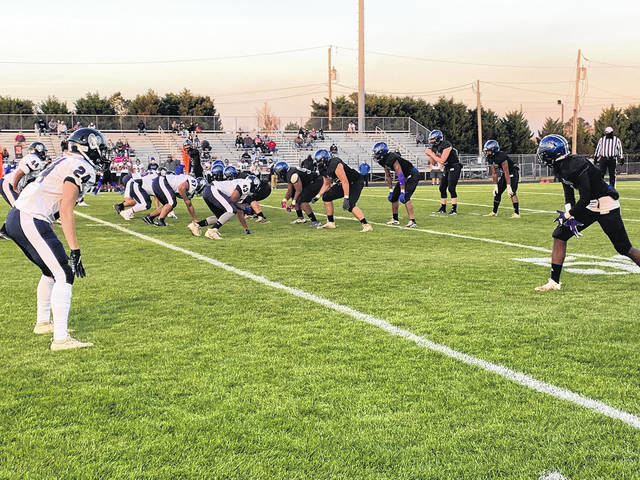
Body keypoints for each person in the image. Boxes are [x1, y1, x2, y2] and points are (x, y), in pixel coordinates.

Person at [1, 128, 106, 350]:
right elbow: (66, 209)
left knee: (50, 272)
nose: (101, 152)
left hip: (19, 217)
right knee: (64, 273)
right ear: (86, 146)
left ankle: (42, 322)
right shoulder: (81, 166)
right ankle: (60, 338)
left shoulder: (65, 161)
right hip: (31, 217)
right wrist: (75, 250)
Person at [534, 134, 640, 291]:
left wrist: (568, 216)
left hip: (605, 204)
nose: (541, 155)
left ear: (553, 152)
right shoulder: (560, 166)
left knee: (624, 248)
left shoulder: (576, 164)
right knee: (560, 235)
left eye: (544, 152)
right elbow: (569, 193)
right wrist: (568, 211)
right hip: (591, 205)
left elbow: (585, 197)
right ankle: (554, 282)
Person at [314, 149, 372, 232]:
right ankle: (331, 222)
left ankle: (366, 225)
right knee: (326, 197)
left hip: (355, 182)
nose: (318, 164)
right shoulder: (322, 168)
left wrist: (346, 198)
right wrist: (318, 196)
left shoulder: (335, 163)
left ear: (325, 160)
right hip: (345, 183)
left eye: (319, 162)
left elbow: (345, 181)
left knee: (350, 204)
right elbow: (327, 183)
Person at [190, 175, 260, 239]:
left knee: (222, 217)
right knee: (231, 210)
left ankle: (196, 225)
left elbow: (238, 210)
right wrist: (244, 207)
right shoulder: (246, 185)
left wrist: (246, 228)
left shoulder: (243, 189)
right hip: (212, 190)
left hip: (209, 191)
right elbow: (232, 201)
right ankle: (212, 231)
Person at [373, 142, 419, 228]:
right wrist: (390, 190)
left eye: (377, 153)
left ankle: (412, 221)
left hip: (412, 174)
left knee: (405, 196)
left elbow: (400, 174)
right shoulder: (382, 161)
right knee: (394, 197)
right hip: (404, 176)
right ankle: (395, 219)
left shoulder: (392, 158)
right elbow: (388, 176)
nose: (375, 155)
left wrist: (402, 191)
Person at [424, 130, 462, 215]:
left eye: (432, 139)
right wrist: (429, 155)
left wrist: (431, 153)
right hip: (447, 167)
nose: (431, 141)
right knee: (442, 187)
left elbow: (442, 160)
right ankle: (443, 208)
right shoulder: (434, 147)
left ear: (438, 138)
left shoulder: (446, 145)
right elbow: (433, 163)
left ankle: (454, 209)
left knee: (451, 188)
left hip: (454, 166)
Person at [0, 142, 48, 208]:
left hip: (12, 183)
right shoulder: (34, 159)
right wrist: (14, 187)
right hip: (9, 183)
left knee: (25, 208)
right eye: (44, 151)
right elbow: (20, 172)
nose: (45, 153)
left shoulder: (33, 158)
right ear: (39, 150)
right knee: (19, 208)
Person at [275, 161, 323, 227]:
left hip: (316, 181)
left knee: (302, 200)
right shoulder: (289, 173)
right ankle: (300, 218)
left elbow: (299, 190)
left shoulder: (293, 175)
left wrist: (293, 202)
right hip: (309, 182)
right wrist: (284, 200)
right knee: (295, 196)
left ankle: (315, 221)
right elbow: (290, 190)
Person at [483, 140, 520, 218]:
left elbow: (507, 172)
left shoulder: (501, 156)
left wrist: (508, 185)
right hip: (505, 174)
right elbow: (494, 173)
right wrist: (495, 185)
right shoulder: (490, 158)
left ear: (494, 150)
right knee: (497, 192)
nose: (487, 153)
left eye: (488, 151)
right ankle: (494, 212)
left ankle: (517, 213)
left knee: (512, 192)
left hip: (512, 172)